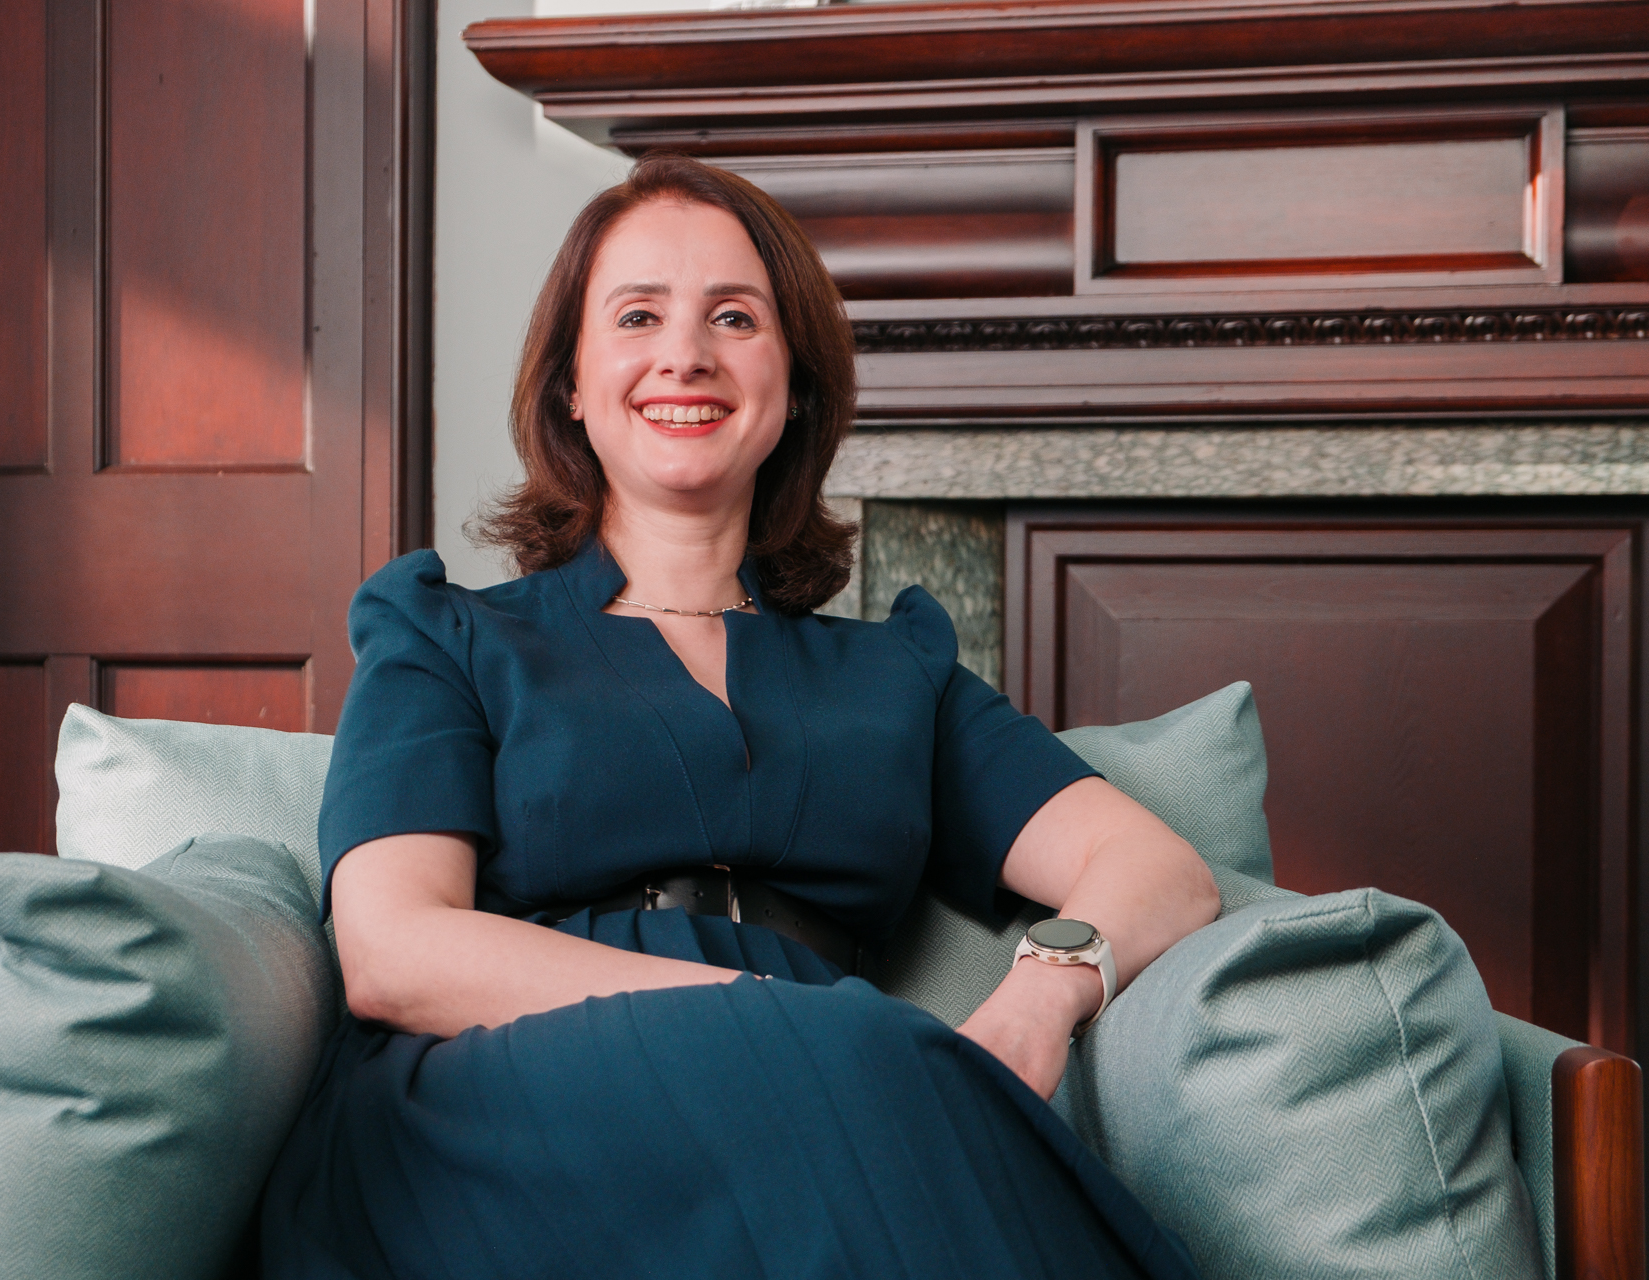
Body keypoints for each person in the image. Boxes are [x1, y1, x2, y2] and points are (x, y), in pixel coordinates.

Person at [260, 154, 1220, 1279]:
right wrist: (765, 1012)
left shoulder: (892, 674)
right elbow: (392, 951)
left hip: (826, 1106)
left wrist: (1034, 1006)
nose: (686, 354)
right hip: (506, 1103)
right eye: (637, 316)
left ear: (795, 383)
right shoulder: (447, 636)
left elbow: (1159, 872)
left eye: (734, 316)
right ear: (571, 383)